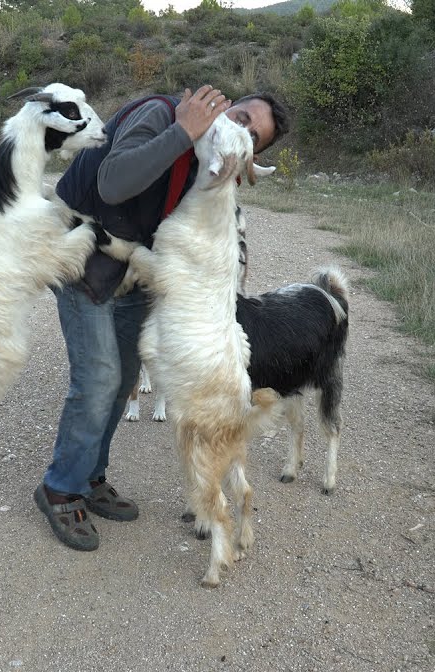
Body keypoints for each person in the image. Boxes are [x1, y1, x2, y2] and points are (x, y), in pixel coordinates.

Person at [33, 85, 292, 551]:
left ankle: (89, 475)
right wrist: (181, 131)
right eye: (242, 115)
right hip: (83, 253)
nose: (240, 128)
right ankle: (60, 488)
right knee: (99, 377)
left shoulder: (210, 164)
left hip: (132, 270)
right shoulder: (159, 114)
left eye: (253, 134)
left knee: (124, 378)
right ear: (223, 105)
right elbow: (112, 184)